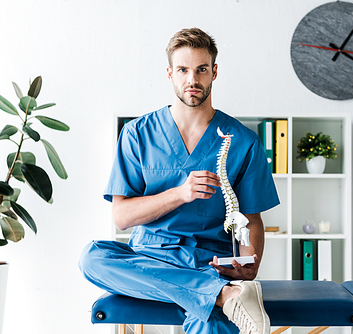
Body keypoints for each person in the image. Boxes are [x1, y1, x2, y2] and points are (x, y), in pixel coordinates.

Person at [79, 27, 280, 334]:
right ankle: (222, 295)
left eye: (201, 70)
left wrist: (249, 262)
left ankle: (217, 291)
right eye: (184, 70)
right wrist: (180, 194)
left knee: (211, 325)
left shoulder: (243, 141)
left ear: (214, 72)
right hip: (149, 257)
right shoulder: (137, 134)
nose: (192, 80)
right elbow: (121, 218)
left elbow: (251, 218)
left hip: (208, 260)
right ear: (170, 74)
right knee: (93, 257)